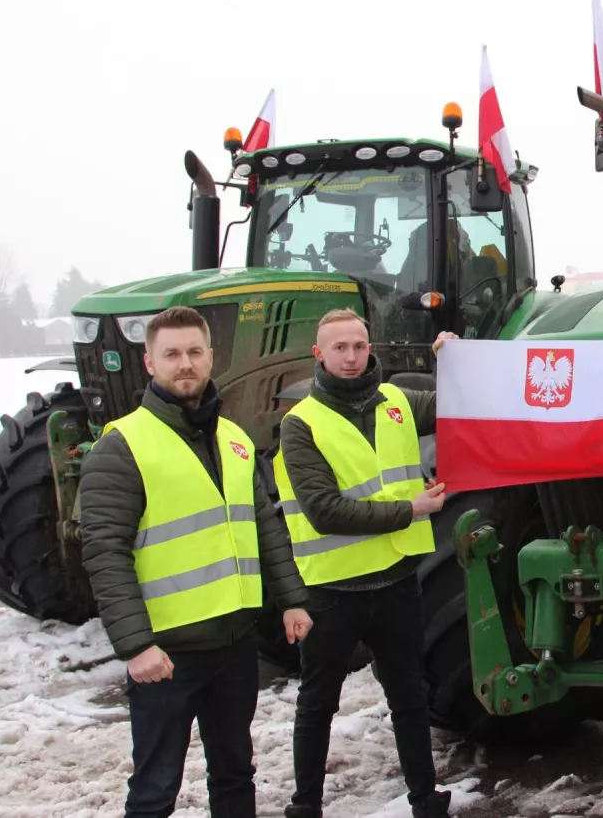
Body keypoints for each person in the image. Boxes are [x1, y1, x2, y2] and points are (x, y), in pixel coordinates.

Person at [80, 305, 314, 818]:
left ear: (210, 357)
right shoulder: (122, 446)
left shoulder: (233, 439)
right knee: (155, 789)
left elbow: (265, 525)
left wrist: (292, 601)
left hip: (233, 646)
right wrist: (136, 646)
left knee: (235, 775)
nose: (184, 364)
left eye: (193, 352)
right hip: (167, 657)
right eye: (171, 355)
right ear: (149, 363)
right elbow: (104, 551)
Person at [273, 309, 458, 818]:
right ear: (320, 355)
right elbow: (325, 510)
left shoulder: (398, 401)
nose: (352, 357)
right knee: (317, 705)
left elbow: (461, 408)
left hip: (396, 583)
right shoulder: (300, 424)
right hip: (332, 592)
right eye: (340, 348)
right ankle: (305, 805)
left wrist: (455, 363)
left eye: (359, 345)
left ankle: (426, 799)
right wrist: (411, 510)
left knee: (410, 698)